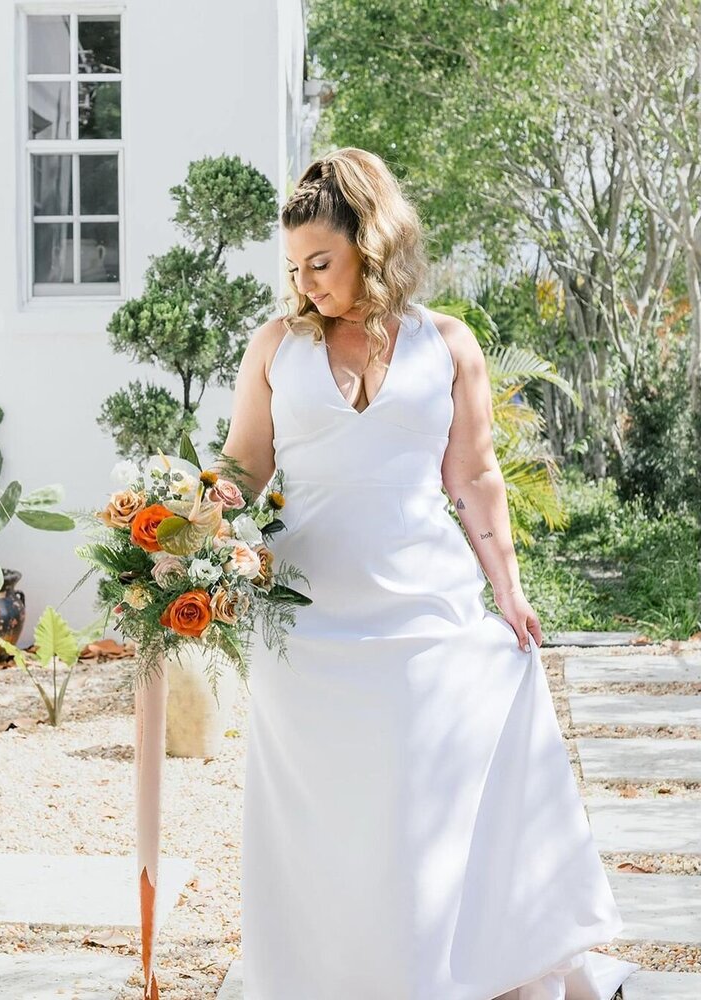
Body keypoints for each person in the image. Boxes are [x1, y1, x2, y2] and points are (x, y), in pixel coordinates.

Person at [219, 148, 640, 1000]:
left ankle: (434, 971)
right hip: (306, 626)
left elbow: (476, 478)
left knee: (421, 807)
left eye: (322, 264)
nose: (307, 285)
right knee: (327, 820)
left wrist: (510, 594)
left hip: (426, 607)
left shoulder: (449, 344)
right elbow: (244, 467)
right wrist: (183, 524)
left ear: (371, 244)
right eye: (294, 268)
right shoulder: (274, 347)